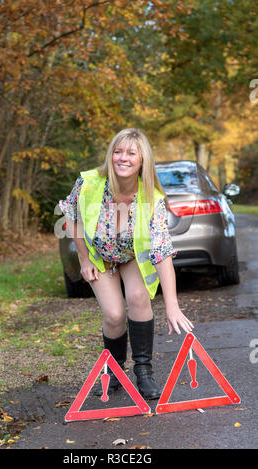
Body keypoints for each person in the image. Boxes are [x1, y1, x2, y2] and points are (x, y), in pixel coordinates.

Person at [59, 128, 194, 400]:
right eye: (118, 152)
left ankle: (144, 372)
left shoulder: (151, 199)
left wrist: (172, 306)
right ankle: (115, 372)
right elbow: (70, 216)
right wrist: (84, 259)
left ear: (142, 160)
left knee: (138, 297)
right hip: (99, 255)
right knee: (114, 315)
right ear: (110, 155)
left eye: (131, 153)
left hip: (131, 256)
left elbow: (162, 253)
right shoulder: (89, 183)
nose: (123, 158)